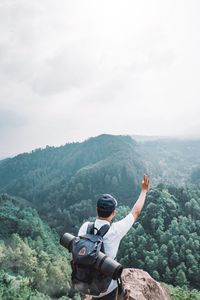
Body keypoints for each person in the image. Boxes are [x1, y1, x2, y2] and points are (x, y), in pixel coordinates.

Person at [78, 175, 150, 300]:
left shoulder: (85, 227)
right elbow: (135, 212)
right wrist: (144, 190)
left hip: (86, 281)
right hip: (107, 288)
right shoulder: (115, 230)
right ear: (114, 213)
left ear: (97, 209)